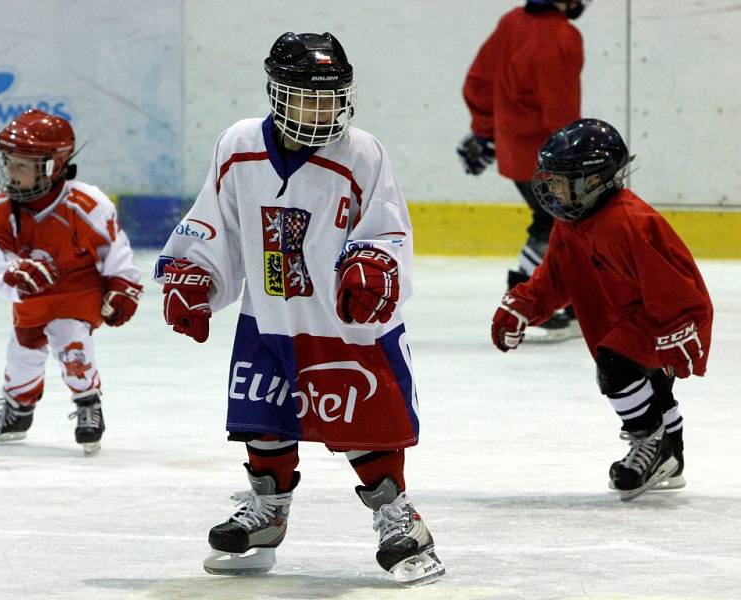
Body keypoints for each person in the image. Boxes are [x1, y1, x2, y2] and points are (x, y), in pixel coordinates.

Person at [156, 32, 445, 586]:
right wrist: (197, 274)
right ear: (276, 93)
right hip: (267, 314)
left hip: (342, 322)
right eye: (306, 97)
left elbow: (387, 225)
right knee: (263, 415)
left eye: (331, 97)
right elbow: (218, 219)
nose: (321, 110)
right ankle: (267, 513)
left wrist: (374, 267)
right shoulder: (237, 144)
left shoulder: (362, 151)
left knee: (364, 422)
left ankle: (400, 518)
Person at [490, 118, 713, 501]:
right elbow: (555, 278)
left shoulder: (630, 223)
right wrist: (523, 306)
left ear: (593, 181)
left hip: (664, 320)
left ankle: (651, 441)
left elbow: (676, 286)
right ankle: (671, 456)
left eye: (563, 179)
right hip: (627, 320)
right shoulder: (572, 222)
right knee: (652, 384)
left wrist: (679, 331)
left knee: (616, 366)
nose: (553, 187)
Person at [0, 109, 143, 455]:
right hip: (32, 300)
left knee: (71, 340)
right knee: (22, 351)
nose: (10, 172)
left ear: (54, 165)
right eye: (9, 162)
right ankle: (17, 412)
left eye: (22, 164)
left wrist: (123, 288)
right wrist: (13, 276)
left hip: (78, 292)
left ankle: (87, 404)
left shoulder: (86, 204)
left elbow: (115, 252)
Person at [458, 0, 590, 342]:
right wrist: (570, 159)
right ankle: (529, 302)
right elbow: (560, 110)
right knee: (563, 222)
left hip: (515, 153)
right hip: (545, 157)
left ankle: (565, 302)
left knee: (559, 221)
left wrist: (485, 132)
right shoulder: (562, 36)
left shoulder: (511, 21)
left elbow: (477, 83)